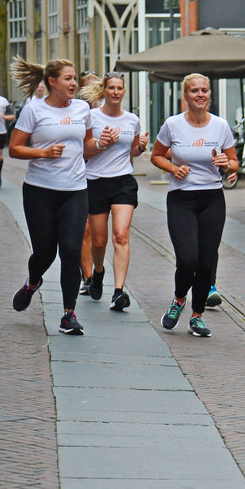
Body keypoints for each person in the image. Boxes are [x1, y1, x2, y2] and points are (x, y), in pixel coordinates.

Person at [8, 58, 94, 336]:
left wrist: (103, 143)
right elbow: (14, 148)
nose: (74, 84)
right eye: (68, 79)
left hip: (75, 190)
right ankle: (33, 282)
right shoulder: (34, 110)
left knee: (70, 250)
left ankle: (69, 315)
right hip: (40, 191)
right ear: (52, 82)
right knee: (45, 252)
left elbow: (87, 145)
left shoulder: (82, 108)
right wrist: (42, 152)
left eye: (74, 79)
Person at [149, 73, 238, 338]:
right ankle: (178, 300)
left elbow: (234, 162)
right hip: (182, 199)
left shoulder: (220, 126)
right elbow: (155, 156)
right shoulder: (172, 125)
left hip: (212, 198)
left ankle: (196, 316)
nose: (200, 95)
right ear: (185, 96)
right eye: (194, 91)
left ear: (210, 94)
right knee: (188, 259)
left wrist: (228, 166)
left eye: (204, 91)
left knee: (206, 261)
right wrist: (173, 168)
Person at [81, 73, 147, 311]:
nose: (116, 92)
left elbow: (133, 150)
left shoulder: (132, 120)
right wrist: (102, 143)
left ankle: (119, 291)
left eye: (120, 88)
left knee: (121, 235)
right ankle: (98, 273)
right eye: (112, 88)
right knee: (98, 242)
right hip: (96, 181)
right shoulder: (90, 117)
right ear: (104, 90)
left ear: (124, 91)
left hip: (123, 182)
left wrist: (140, 147)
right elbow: (83, 152)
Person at [78, 69, 102, 296]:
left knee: (99, 235)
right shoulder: (77, 114)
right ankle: (87, 276)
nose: (92, 95)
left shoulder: (107, 115)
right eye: (87, 90)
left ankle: (97, 271)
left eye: (96, 89)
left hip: (100, 179)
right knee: (84, 230)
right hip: (78, 176)